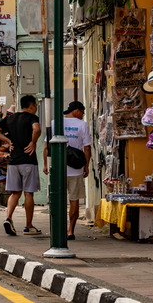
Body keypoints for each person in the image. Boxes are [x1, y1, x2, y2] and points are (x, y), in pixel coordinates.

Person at [0, 94, 41, 236]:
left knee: (15, 193)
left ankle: (8, 218)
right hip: (28, 160)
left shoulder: (10, 118)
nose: (36, 108)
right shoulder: (32, 118)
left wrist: (8, 141)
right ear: (31, 106)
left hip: (13, 161)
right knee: (28, 193)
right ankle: (28, 226)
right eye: (35, 105)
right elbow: (36, 129)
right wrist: (33, 142)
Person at [49, 100, 91, 240]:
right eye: (82, 112)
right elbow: (87, 148)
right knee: (74, 200)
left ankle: (58, 228)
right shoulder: (82, 125)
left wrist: (46, 165)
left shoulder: (55, 123)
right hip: (76, 169)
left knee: (58, 199)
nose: (82, 115)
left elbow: (46, 146)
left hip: (59, 168)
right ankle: (70, 231)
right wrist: (86, 165)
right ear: (77, 111)